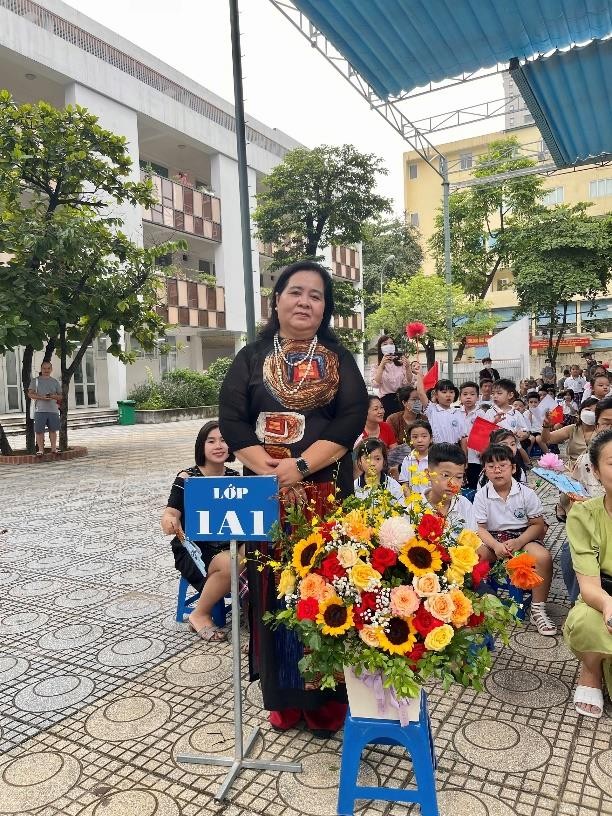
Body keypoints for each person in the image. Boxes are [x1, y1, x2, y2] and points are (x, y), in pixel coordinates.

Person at [218, 259, 368, 736]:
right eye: (296, 292)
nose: (305, 302)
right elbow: (232, 418)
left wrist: (300, 466)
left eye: (316, 296)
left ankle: (327, 700)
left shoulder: (339, 359)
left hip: (326, 496)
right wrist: (269, 470)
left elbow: (350, 419)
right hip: (265, 496)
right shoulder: (250, 356)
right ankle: (282, 697)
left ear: (326, 308)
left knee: (328, 590)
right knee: (273, 592)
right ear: (277, 299)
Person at [161, 422, 238, 641]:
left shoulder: (235, 478)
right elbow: (170, 514)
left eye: (223, 440)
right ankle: (200, 614)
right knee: (231, 562)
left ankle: (256, 627)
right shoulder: (187, 478)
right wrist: (170, 522)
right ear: (201, 446)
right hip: (195, 550)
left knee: (254, 556)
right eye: (211, 441)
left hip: (228, 544)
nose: (218, 445)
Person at [473, 444, 557, 636]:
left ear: (513, 468)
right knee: (473, 557)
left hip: (523, 537)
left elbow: (537, 524)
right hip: (493, 539)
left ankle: (538, 608)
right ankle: (480, 603)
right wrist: (495, 545)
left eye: (502, 465)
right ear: (484, 469)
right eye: (491, 466)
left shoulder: (526, 493)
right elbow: (480, 528)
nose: (497, 470)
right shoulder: (481, 495)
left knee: (543, 557)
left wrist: (519, 542)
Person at [563, 428, 612, 719]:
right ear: (594, 471)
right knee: (584, 622)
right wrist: (608, 605)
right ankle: (592, 669)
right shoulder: (584, 514)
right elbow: (589, 585)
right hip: (603, 599)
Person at [559, 397, 612, 603]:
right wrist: (572, 503)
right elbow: (566, 503)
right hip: (589, 530)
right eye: (607, 423)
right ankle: (580, 603)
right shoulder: (584, 461)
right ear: (597, 425)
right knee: (569, 553)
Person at [542, 397, 599, 522]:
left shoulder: (602, 429)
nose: (591, 413)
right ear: (580, 412)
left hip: (595, 471)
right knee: (574, 506)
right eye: (588, 409)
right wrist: (546, 426)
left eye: (595, 411)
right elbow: (548, 439)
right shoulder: (572, 428)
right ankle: (563, 507)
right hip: (573, 471)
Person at [422, 443, 478, 532]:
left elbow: (475, 541)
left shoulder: (464, 505)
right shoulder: (415, 508)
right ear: (428, 474)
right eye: (445, 475)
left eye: (459, 477)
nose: (452, 483)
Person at [414, 367, 466, 446]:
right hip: (437, 448)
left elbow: (463, 437)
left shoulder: (459, 413)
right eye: (444, 392)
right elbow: (421, 393)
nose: (448, 395)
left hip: (455, 449)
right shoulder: (431, 409)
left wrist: (464, 456)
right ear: (436, 394)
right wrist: (419, 375)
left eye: (451, 392)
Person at [353, 438, 405, 505]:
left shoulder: (393, 486)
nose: (372, 463)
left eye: (377, 459)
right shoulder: (354, 486)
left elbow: (401, 509)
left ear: (384, 461)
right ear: (360, 461)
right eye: (367, 458)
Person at [371, 335, 411, 418]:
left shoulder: (401, 364)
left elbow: (408, 382)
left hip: (402, 398)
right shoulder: (376, 366)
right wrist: (381, 365)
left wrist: (408, 367)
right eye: (385, 344)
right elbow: (375, 384)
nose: (388, 346)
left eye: (391, 343)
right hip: (386, 401)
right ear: (380, 348)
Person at [27, 361, 62, 456]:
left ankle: (54, 449)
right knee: (39, 431)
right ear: (41, 369)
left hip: (53, 410)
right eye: (44, 368)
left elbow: (61, 396)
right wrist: (42, 397)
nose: (46, 370)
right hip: (40, 410)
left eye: (48, 368)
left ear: (51, 369)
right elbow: (30, 394)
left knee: (53, 430)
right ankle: (40, 450)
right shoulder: (35, 380)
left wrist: (53, 396)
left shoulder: (55, 381)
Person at [458, 381, 486, 491]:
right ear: (460, 397)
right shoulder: (456, 413)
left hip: (475, 457)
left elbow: (483, 436)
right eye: (465, 394)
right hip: (459, 455)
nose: (468, 397)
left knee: (475, 484)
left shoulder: (480, 414)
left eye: (472, 394)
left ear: (478, 397)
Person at [398, 419, 433, 496]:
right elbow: (405, 484)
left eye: (424, 436)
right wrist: (412, 501)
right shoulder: (407, 459)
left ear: (431, 438)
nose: (419, 440)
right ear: (410, 439)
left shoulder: (435, 459)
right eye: (415, 437)